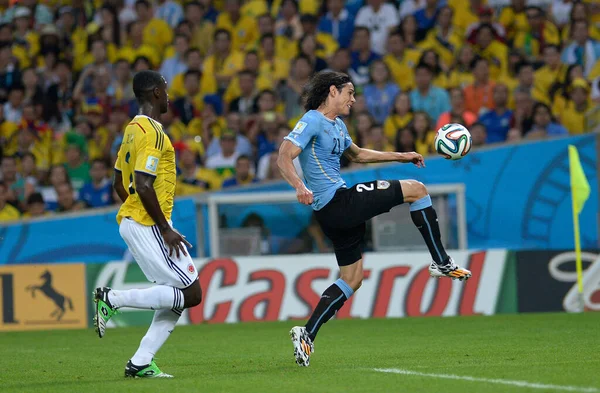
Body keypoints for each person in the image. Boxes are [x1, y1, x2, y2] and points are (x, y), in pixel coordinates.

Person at [277, 71, 471, 367]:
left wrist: (402, 155)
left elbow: (358, 155)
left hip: (333, 214)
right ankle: (441, 261)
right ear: (333, 91)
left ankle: (306, 333)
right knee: (417, 190)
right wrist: (299, 185)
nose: (354, 100)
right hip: (339, 202)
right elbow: (284, 155)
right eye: (350, 93)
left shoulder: (338, 125)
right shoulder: (313, 120)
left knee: (352, 279)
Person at [93, 70, 203, 378]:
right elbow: (142, 184)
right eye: (166, 90)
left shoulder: (130, 130)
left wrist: (133, 212)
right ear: (155, 92)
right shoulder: (153, 133)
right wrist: (164, 229)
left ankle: (141, 361)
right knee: (191, 294)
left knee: (176, 296)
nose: (169, 96)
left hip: (139, 220)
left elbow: (119, 181)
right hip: (150, 224)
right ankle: (112, 298)